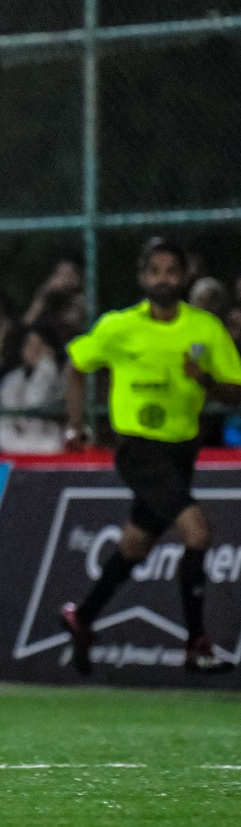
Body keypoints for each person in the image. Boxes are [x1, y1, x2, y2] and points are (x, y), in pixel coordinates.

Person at [60, 238, 241, 676]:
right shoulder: (120, 326)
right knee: (197, 533)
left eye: (171, 271)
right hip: (138, 449)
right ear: (142, 277)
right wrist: (75, 426)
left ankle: (81, 617)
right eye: (155, 271)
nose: (163, 279)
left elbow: (235, 390)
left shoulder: (205, 329)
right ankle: (196, 644)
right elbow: (78, 365)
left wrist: (207, 382)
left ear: (185, 276)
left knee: (135, 545)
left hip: (182, 450)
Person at [0, 323, 67, 454]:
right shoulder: (12, 379)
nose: (35, 349)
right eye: (29, 344)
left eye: (41, 344)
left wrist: (46, 366)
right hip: (16, 443)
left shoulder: (58, 376)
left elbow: (35, 402)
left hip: (49, 442)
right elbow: (9, 418)